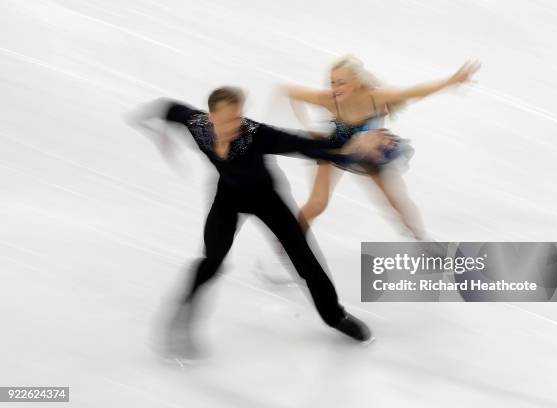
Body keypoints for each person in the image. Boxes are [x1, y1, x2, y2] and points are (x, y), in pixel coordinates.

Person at [127, 87, 390, 359]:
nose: (234, 124)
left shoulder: (256, 135)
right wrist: (145, 119)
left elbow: (305, 145)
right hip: (228, 198)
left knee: (304, 260)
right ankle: (179, 320)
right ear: (211, 117)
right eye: (227, 119)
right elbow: (170, 108)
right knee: (210, 261)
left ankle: (335, 317)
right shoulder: (198, 126)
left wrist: (353, 147)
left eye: (238, 117)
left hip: (267, 200)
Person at [283, 56, 481, 239]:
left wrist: (451, 81)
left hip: (367, 151)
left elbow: (415, 91)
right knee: (317, 204)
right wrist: (308, 128)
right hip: (336, 148)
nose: (335, 88)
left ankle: (421, 240)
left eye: (341, 82)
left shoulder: (375, 96)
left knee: (395, 200)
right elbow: (292, 92)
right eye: (332, 82)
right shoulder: (328, 99)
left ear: (356, 82)